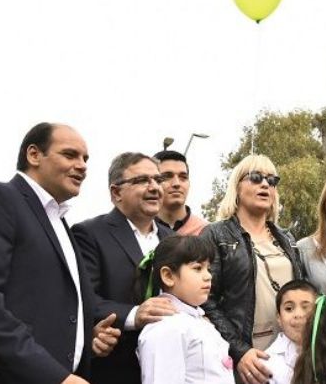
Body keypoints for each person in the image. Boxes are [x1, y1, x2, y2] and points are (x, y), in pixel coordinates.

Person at [0, 122, 120, 384]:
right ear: (34, 155)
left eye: (85, 159)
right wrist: (54, 376)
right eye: (70, 155)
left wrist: (83, 337)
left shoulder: (59, 221)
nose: (82, 165)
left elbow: (42, 305)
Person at [72, 152, 176, 384]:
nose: (155, 188)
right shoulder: (89, 234)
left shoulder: (173, 239)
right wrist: (133, 315)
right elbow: (84, 299)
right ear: (116, 192)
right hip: (115, 368)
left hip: (169, 368)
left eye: (158, 180)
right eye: (142, 181)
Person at [201, 154, 303, 384]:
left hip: (290, 357)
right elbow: (205, 300)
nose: (265, 184)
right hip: (246, 359)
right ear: (237, 187)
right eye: (255, 178)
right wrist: (239, 350)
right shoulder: (216, 235)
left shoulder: (286, 238)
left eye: (272, 180)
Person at [137, 235, 234, 384]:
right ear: (168, 276)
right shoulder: (165, 328)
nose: (208, 276)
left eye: (208, 268)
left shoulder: (196, 320)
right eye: (197, 268)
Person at [262, 280, 318, 384]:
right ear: (279, 318)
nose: (298, 314)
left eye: (305, 307)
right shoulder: (267, 363)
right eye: (289, 308)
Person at [153, 150, 208, 235]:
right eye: (167, 177)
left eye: (183, 177)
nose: (176, 184)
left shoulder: (207, 233)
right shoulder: (138, 231)